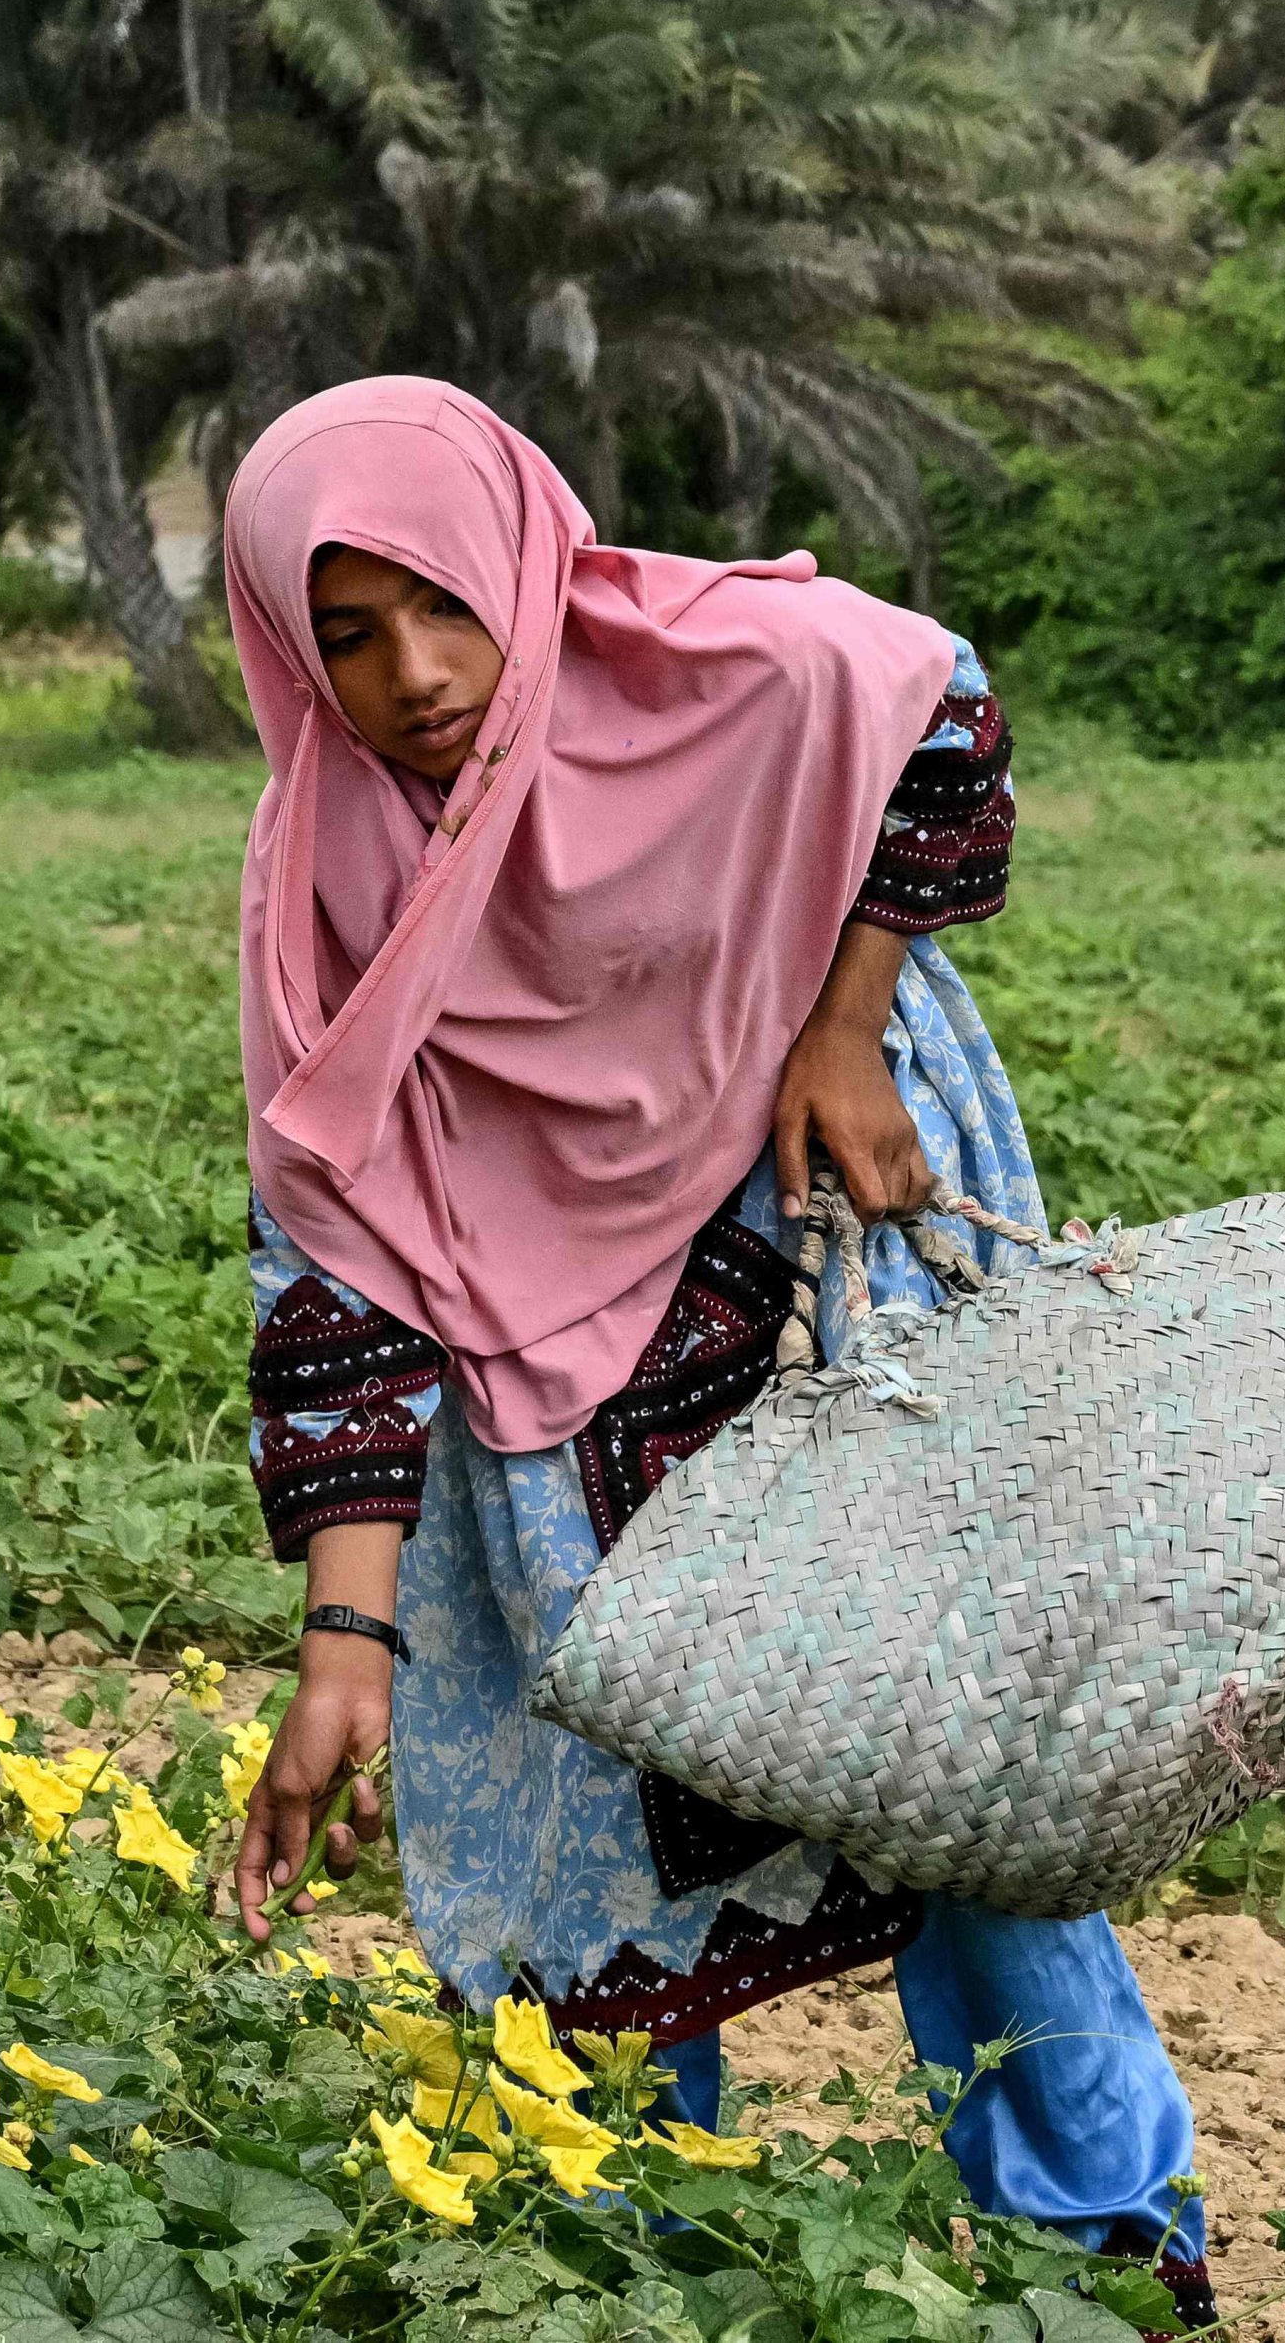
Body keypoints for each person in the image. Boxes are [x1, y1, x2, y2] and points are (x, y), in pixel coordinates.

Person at [219, 378, 1212, 2324]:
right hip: (543, 1420)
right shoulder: (328, 879)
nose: (411, 676)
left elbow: (938, 700)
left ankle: (1096, 2257)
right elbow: (331, 1253)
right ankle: (625, 2265)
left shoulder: (714, 663)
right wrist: (345, 1638)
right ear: (277, 644)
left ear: (518, 562)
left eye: (442, 604)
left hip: (833, 1302)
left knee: (950, 1787)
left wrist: (840, 1021)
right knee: (567, 1834)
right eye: (342, 635)